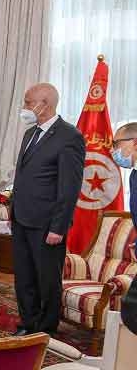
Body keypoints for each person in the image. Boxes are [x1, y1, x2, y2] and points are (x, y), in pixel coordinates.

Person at [11, 83, 85, 337]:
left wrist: (58, 227)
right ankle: (28, 323)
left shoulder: (69, 137)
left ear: (45, 104)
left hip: (46, 223)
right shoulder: (30, 133)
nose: (25, 107)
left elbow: (69, 187)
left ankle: (45, 330)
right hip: (22, 218)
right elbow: (23, 176)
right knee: (24, 277)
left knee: (46, 279)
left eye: (28, 102)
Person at [112, 122, 137, 335]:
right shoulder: (134, 175)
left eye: (117, 144)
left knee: (132, 310)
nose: (114, 151)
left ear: (135, 143)